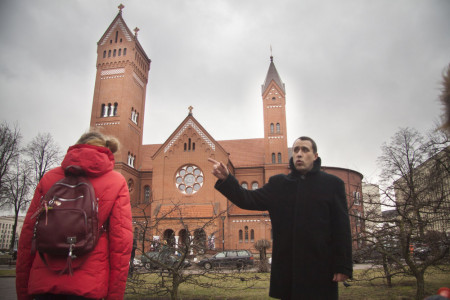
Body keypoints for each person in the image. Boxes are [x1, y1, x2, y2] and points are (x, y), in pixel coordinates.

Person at [208, 136, 353, 299]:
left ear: (315, 156)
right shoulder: (279, 184)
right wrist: (227, 180)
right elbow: (247, 198)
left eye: (305, 150)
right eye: (296, 149)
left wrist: (343, 266)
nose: (299, 153)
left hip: (320, 267)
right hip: (288, 269)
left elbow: (341, 227)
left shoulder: (332, 185)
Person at [16, 131, 133, 300]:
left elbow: (27, 238)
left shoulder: (49, 178)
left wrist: (22, 292)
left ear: (76, 148)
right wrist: (115, 296)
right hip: (89, 287)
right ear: (106, 150)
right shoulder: (116, 181)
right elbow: (121, 246)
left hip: (43, 287)